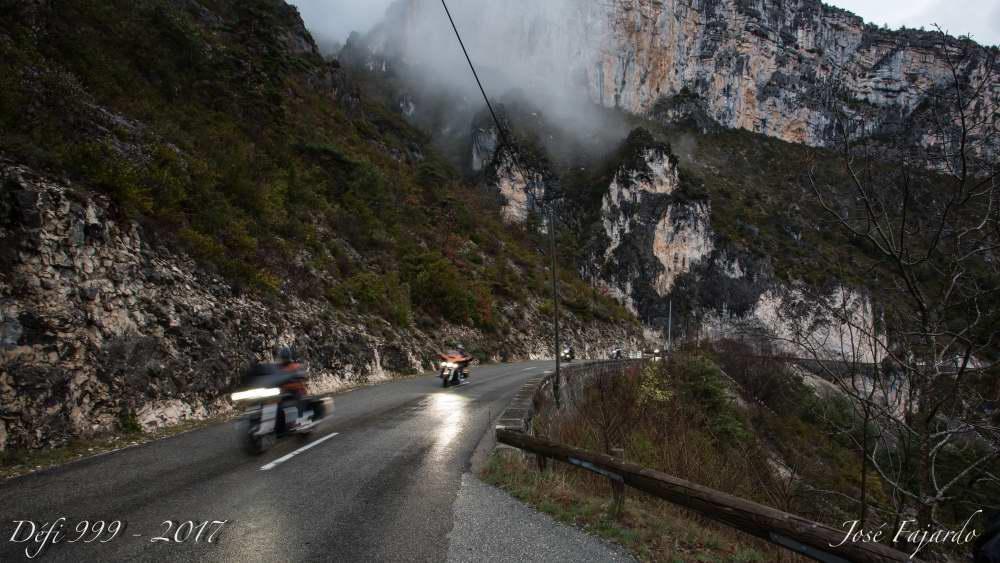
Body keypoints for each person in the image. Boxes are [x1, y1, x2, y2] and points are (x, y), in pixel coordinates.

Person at [275, 346, 309, 429]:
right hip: (283, 392)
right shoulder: (278, 368)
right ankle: (277, 424)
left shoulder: (295, 366)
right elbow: (272, 377)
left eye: (284, 357)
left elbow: (303, 374)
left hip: (296, 390)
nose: (284, 359)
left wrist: (299, 375)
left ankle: (301, 420)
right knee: (274, 402)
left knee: (299, 399)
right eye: (283, 357)